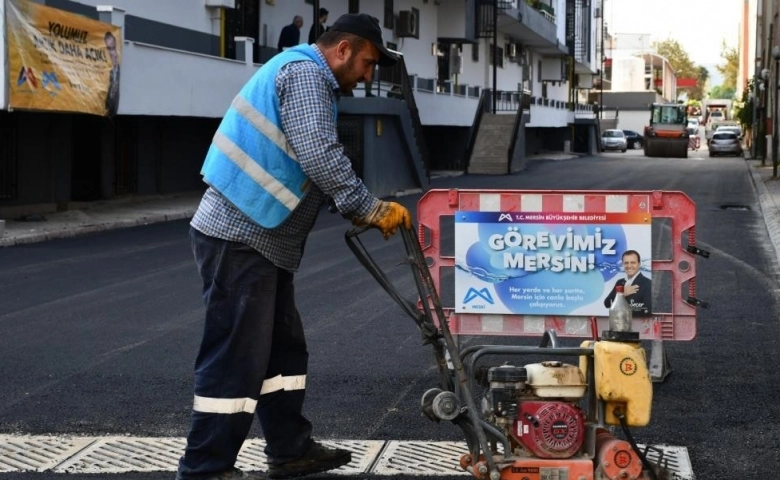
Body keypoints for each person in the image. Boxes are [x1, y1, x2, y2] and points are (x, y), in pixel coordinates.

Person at [176, 13, 407, 480]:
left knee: (284, 351)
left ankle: (290, 449)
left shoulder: (305, 74)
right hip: (238, 236)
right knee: (236, 357)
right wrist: (368, 207)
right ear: (342, 49)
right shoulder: (305, 74)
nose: (366, 77)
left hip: (262, 237)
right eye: (366, 63)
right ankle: (204, 467)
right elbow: (318, 151)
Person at [603, 250, 652, 317]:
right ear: (623, 264)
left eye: (633, 262)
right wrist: (622, 295)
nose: (629, 266)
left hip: (638, 325)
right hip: (618, 324)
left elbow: (647, 311)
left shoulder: (648, 284)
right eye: (626, 263)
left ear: (639, 264)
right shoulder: (619, 282)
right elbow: (607, 303)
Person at [104, 31, 120, 116]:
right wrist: (111, 94)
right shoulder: (104, 73)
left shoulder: (121, 73)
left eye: (113, 48)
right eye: (108, 49)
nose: (111, 53)